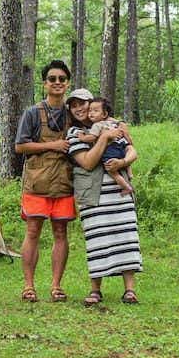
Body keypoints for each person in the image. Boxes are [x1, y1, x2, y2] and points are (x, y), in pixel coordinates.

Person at [65, 89, 143, 306]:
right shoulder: (74, 133)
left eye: (84, 104)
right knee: (96, 238)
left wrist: (123, 162)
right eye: (74, 105)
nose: (80, 108)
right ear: (70, 110)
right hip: (92, 193)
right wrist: (105, 137)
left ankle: (129, 290)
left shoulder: (115, 125)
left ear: (95, 107)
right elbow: (88, 162)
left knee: (126, 235)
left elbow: (131, 148)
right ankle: (95, 290)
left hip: (118, 190)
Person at [14, 60, 74, 303]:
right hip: (37, 183)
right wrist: (53, 145)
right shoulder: (32, 113)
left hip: (64, 183)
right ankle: (29, 286)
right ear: (45, 83)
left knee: (61, 232)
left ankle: (56, 286)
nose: (57, 83)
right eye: (52, 79)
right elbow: (20, 146)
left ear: (67, 83)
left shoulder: (74, 114)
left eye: (61, 79)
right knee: (33, 231)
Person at [77, 97, 133, 195]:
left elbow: (92, 138)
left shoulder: (97, 125)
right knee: (125, 157)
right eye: (90, 110)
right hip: (120, 146)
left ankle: (126, 187)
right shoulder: (113, 123)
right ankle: (130, 172)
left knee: (112, 171)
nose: (91, 113)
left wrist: (82, 137)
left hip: (110, 150)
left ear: (104, 114)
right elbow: (126, 137)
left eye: (95, 111)